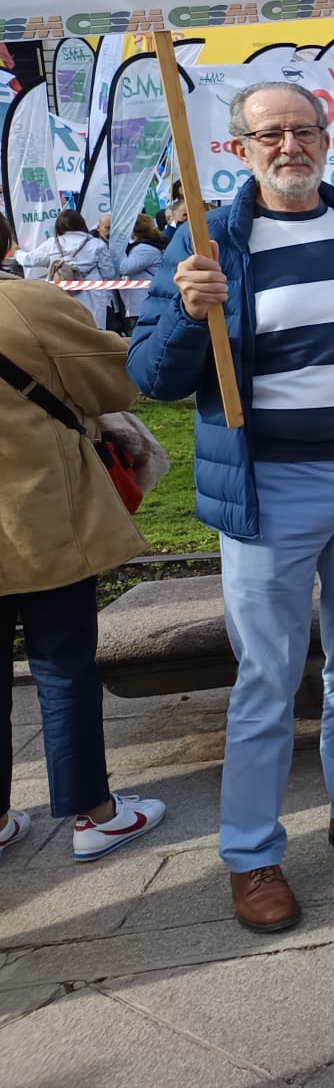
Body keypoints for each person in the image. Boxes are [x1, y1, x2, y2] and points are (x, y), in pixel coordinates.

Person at [127, 82, 334, 934]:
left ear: (327, 140)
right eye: (272, 133)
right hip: (273, 483)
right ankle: (252, 854)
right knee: (267, 676)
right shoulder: (210, 241)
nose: (290, 145)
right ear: (241, 147)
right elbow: (151, 378)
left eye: (304, 130)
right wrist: (194, 315)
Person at [1, 276, 168, 863]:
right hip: (39, 517)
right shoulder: (26, 303)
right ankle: (95, 814)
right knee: (62, 662)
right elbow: (116, 380)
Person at [21, 209, 119, 328]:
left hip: (60, 299)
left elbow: (28, 260)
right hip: (92, 301)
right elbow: (109, 273)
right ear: (81, 223)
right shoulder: (96, 244)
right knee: (93, 337)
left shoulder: (52, 244)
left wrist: (16, 252)